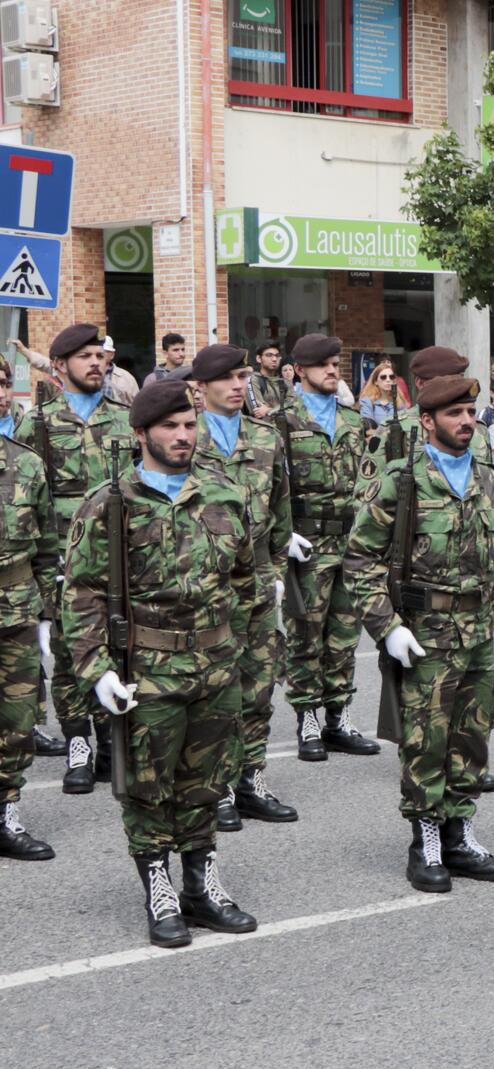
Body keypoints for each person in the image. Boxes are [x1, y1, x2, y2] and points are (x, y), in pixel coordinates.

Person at [61, 380, 261, 947]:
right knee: (149, 786)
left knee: (206, 781)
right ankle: (159, 887)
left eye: (189, 426)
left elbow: (246, 578)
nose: (182, 436)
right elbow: (82, 593)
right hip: (146, 670)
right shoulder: (110, 503)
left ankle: (201, 886)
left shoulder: (225, 495)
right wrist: (97, 669)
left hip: (216, 668)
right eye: (170, 427)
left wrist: (237, 645)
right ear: (141, 432)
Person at [344, 371, 494, 894]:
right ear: (427, 421)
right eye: (454, 414)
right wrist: (386, 627)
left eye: (470, 412)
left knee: (472, 734)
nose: (467, 421)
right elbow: (359, 559)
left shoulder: (487, 477)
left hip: (478, 630)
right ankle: (427, 841)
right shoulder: (403, 479)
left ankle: (460, 833)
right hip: (425, 631)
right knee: (425, 740)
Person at [186, 343, 298, 830]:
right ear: (201, 387)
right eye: (227, 378)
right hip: (207, 587)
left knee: (258, 683)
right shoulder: (187, 438)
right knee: (216, 689)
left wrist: (275, 570)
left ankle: (251, 777)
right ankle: (218, 785)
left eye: (242, 377)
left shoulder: (265, 435)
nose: (238, 386)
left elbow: (281, 509)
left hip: (256, 583)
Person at [30, 323, 135, 794]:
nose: (96, 363)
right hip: (65, 559)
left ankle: (110, 738)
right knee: (71, 651)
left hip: (121, 555)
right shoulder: (40, 422)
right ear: (60, 365)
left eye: (100, 355)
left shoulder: (125, 416)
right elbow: (30, 497)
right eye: (85, 357)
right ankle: (77, 742)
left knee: (118, 644)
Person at [276, 334, 383, 763]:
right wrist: (281, 534)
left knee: (343, 635)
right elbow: (270, 488)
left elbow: (369, 484)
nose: (332, 370)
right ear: (300, 370)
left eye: (335, 363)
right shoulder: (281, 422)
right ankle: (307, 718)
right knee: (306, 634)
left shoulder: (354, 421)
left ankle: (338, 716)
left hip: (350, 542)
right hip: (307, 543)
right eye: (322, 364)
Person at [0, 352, 54, 860]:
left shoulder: (26, 462)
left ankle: (6, 813)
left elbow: (46, 547)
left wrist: (45, 615)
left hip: (15, 611)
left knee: (16, 721)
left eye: (0, 383)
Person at [357, 361, 402, 428]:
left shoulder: (398, 401)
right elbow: (368, 429)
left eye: (391, 377)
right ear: (375, 381)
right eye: (383, 377)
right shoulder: (367, 402)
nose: (388, 380)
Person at [249, 344, 289, 418]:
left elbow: (295, 409)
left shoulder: (285, 382)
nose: (274, 359)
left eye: (277, 355)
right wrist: (284, 412)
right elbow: (259, 412)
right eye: (269, 355)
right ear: (258, 358)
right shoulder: (254, 380)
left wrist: (268, 410)